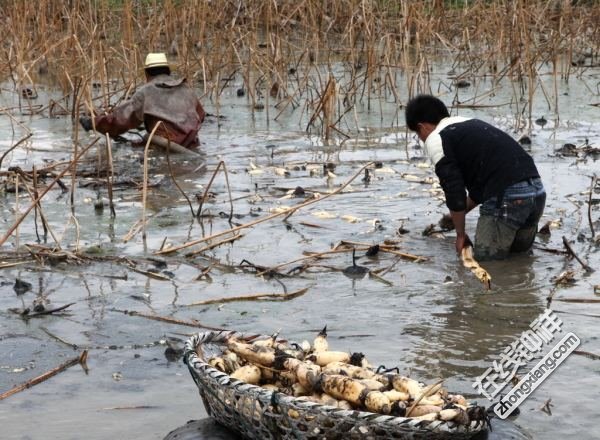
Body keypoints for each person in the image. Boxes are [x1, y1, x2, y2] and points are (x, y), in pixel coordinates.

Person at [405, 94, 546, 260]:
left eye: (417, 134)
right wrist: (457, 216)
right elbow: (483, 184)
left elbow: (454, 191)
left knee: (488, 263)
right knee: (518, 261)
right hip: (536, 194)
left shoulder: (436, 139)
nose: (421, 139)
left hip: (508, 198)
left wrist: (460, 234)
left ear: (422, 127)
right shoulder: (471, 124)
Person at [80, 53, 205, 149]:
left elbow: (119, 121)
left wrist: (93, 123)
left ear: (146, 74)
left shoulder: (145, 92)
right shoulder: (186, 89)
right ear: (168, 71)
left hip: (165, 148)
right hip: (192, 147)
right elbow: (201, 115)